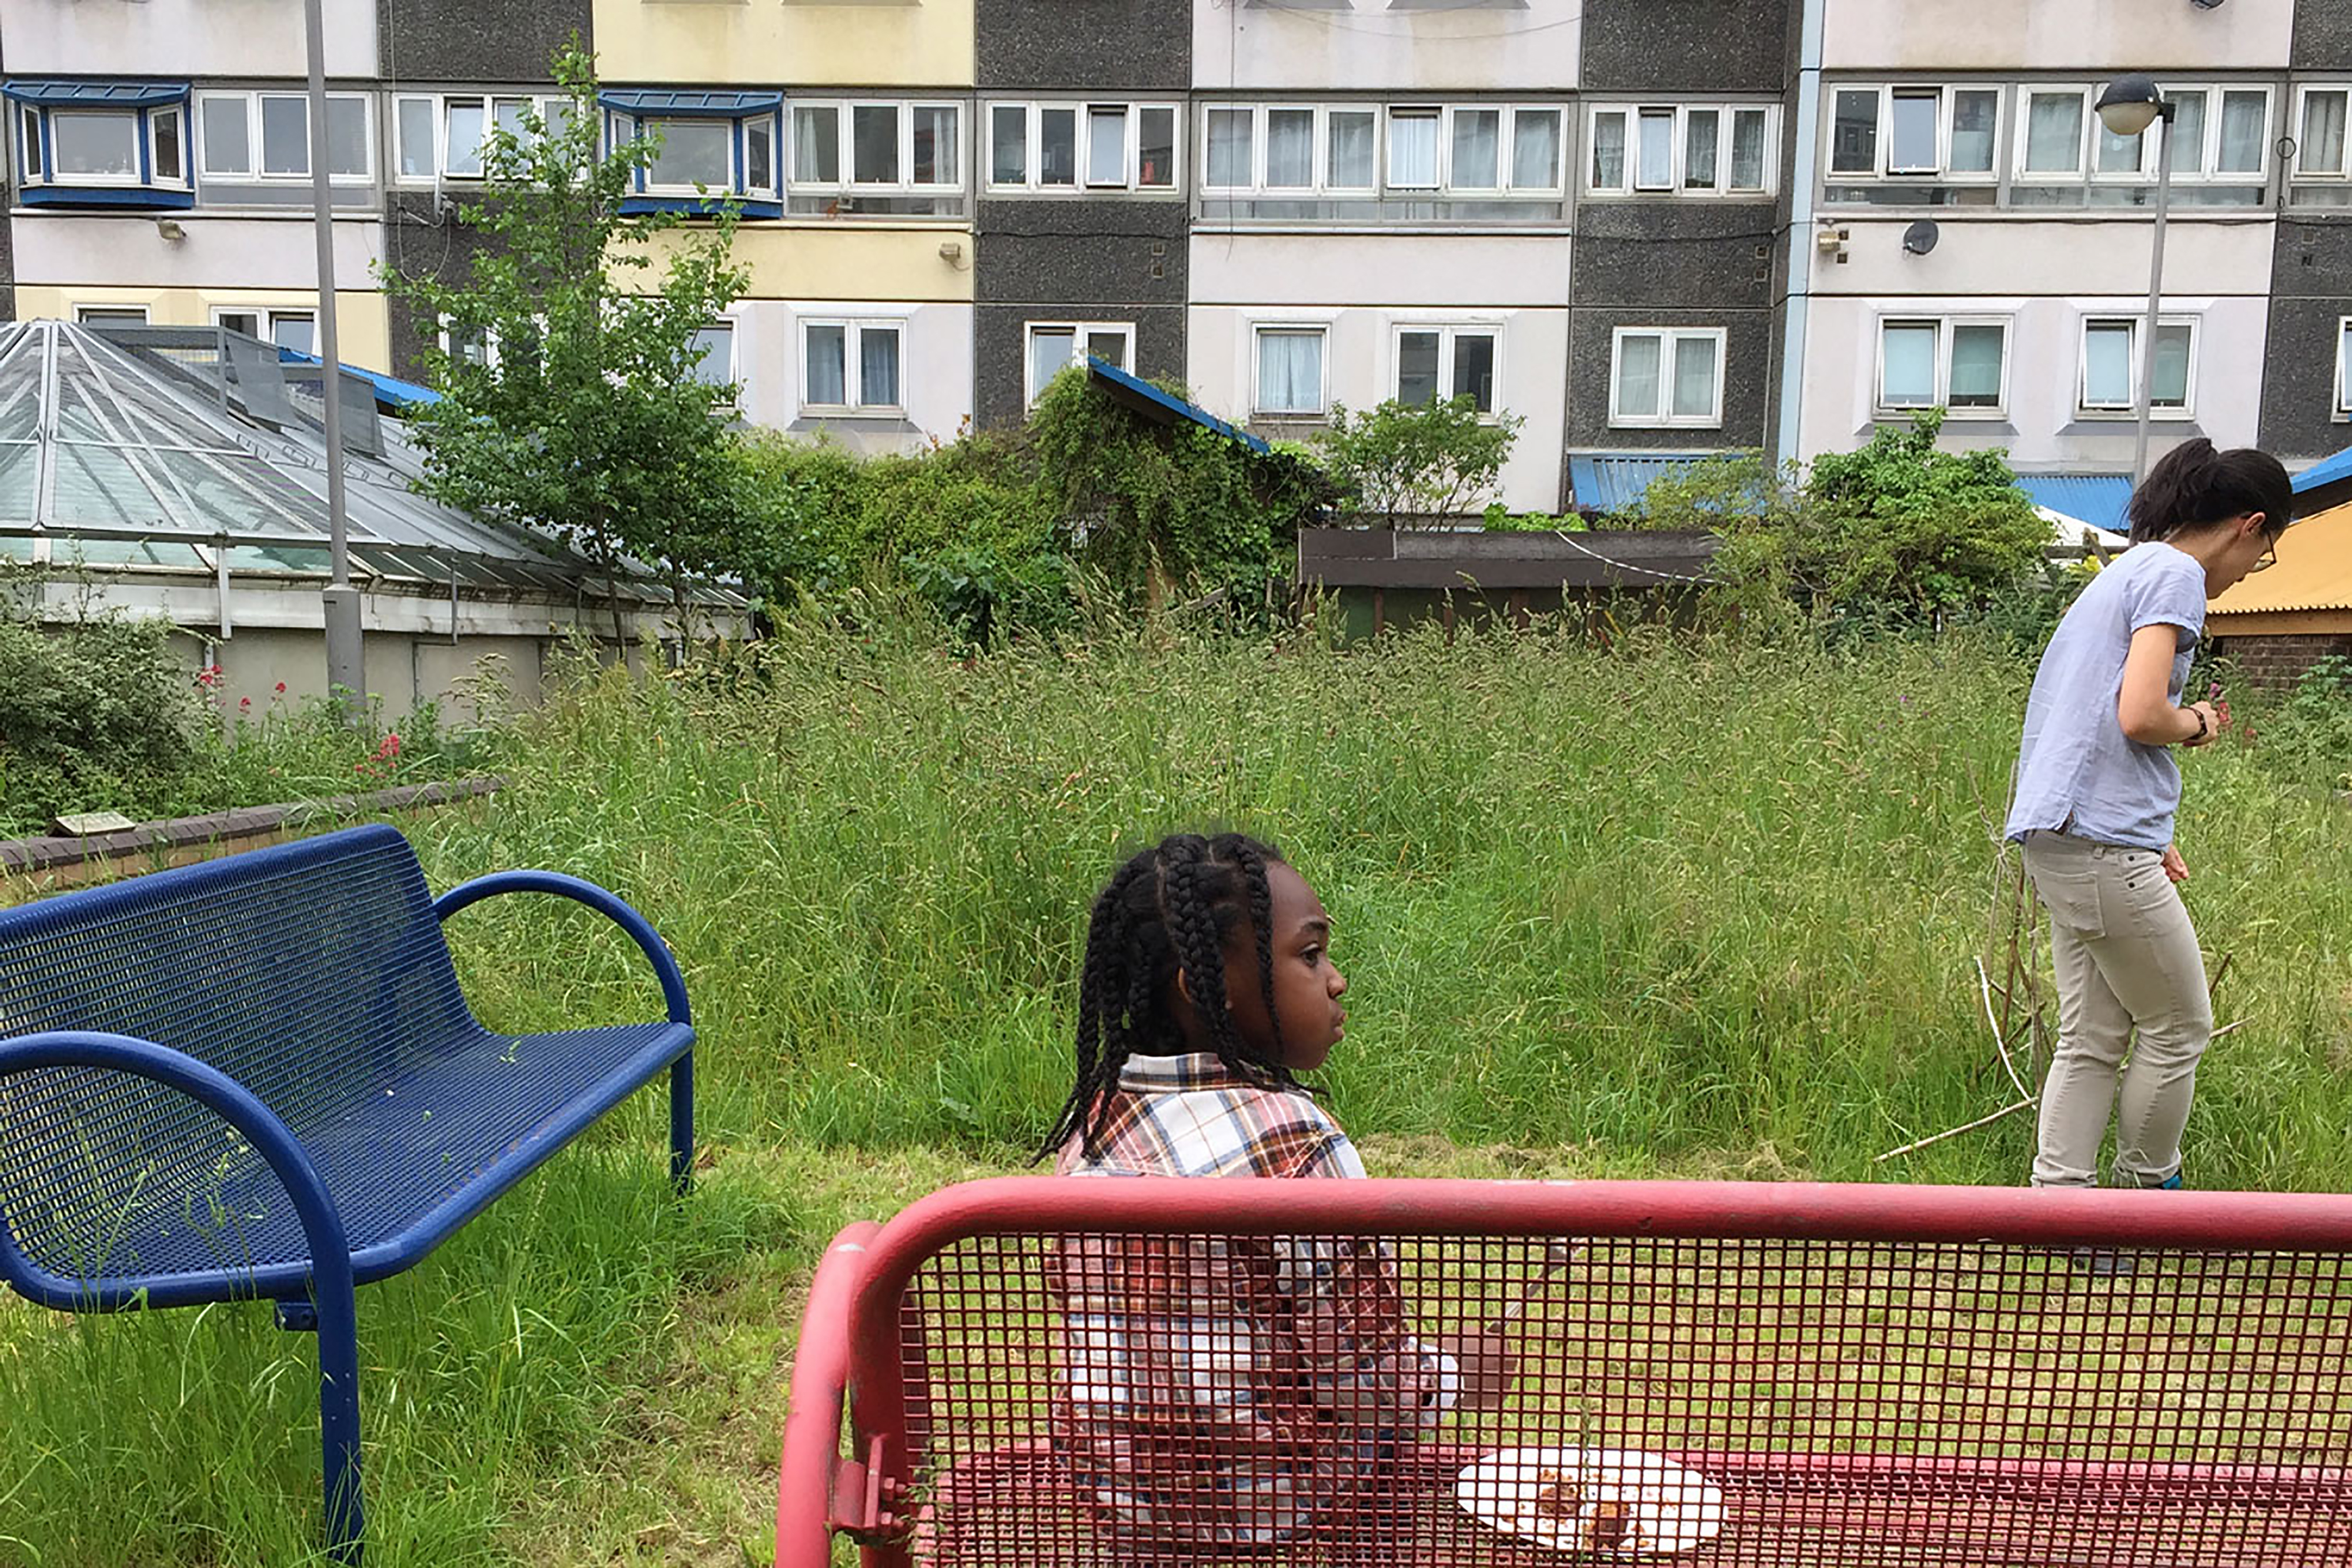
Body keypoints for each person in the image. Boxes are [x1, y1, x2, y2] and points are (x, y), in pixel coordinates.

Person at [1038, 832, 1521, 1553]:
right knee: (1389, 1436)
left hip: (1127, 1501)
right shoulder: (1295, 1143)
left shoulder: (1094, 1128)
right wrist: (1457, 1373)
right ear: (1207, 989)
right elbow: (1361, 1383)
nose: (1336, 981)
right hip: (1276, 1513)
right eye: (1310, 955)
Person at [2005, 439, 2290, 1211]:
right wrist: (2196, 722)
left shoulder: (2127, 568)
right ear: (2249, 525)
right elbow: (2139, 713)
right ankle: (2150, 1199)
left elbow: (2085, 716)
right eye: (2261, 553)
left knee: (2093, 1035)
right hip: (2098, 842)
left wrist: (2147, 827)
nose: (2243, 573)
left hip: (2063, 835)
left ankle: (2063, 1212)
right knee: (2178, 1028)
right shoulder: (2175, 575)